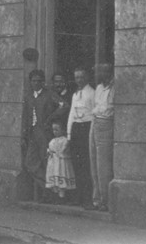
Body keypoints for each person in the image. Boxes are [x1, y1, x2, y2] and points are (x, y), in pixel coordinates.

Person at [22, 69, 59, 202]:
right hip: (32, 134)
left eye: (39, 81)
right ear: (30, 82)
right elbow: (25, 116)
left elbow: (63, 105)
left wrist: (51, 119)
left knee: (45, 162)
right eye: (34, 81)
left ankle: (50, 193)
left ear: (43, 82)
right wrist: (24, 134)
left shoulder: (49, 94)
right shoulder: (28, 96)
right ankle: (47, 188)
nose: (36, 83)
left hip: (44, 133)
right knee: (30, 163)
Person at [67, 67, 95, 209]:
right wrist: (69, 135)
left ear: (87, 77)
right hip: (76, 128)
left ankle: (87, 198)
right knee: (77, 165)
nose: (79, 80)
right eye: (76, 77)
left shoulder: (92, 93)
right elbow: (72, 114)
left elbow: (93, 114)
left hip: (87, 127)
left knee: (86, 164)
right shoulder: (75, 94)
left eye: (81, 77)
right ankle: (77, 197)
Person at [90, 62, 115, 212]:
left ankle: (105, 200)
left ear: (110, 72)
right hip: (95, 122)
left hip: (106, 124)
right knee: (93, 161)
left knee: (103, 164)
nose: (100, 75)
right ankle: (97, 199)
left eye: (104, 72)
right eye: (99, 72)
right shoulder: (99, 88)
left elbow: (110, 110)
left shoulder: (114, 88)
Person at [46, 120, 75, 202]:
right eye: (53, 130)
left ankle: (62, 196)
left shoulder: (64, 140)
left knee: (62, 175)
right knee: (55, 177)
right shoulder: (52, 141)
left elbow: (63, 151)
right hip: (54, 162)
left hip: (61, 162)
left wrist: (58, 152)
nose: (55, 132)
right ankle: (56, 195)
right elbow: (50, 148)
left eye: (57, 130)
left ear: (62, 130)